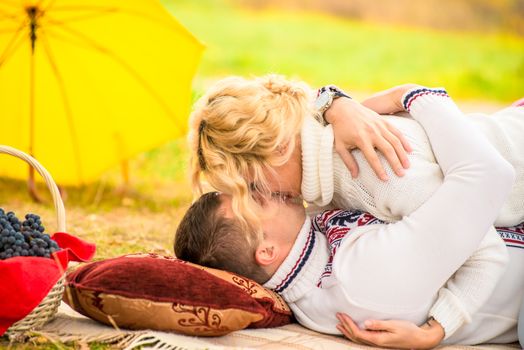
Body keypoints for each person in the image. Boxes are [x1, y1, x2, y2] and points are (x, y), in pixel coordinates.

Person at [178, 85, 522, 347]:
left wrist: (439, 328)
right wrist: (334, 102)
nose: (262, 196)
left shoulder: (377, 172)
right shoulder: (312, 166)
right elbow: (294, 99)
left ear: (279, 149)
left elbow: (484, 245)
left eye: (252, 184)